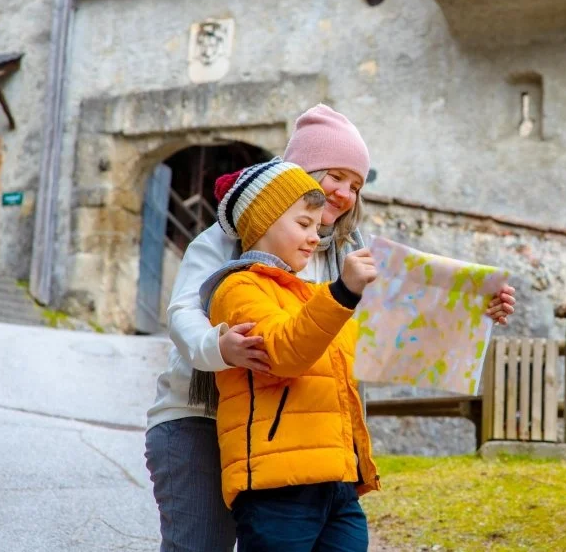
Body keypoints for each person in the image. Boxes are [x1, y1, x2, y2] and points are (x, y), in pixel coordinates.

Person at [144, 104, 516, 551]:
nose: (343, 193)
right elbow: (184, 313)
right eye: (334, 176)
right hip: (199, 416)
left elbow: (399, 323)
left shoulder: (346, 254)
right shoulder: (234, 237)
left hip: (286, 433)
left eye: (356, 185)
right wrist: (220, 346)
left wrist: (477, 307)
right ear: (297, 174)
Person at [201, 157, 378, 551]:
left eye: (317, 227)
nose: (315, 238)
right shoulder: (237, 289)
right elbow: (283, 353)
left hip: (339, 484)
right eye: (303, 224)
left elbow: (386, 343)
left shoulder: (316, 295)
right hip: (277, 488)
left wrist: (474, 307)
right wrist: (343, 292)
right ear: (263, 221)